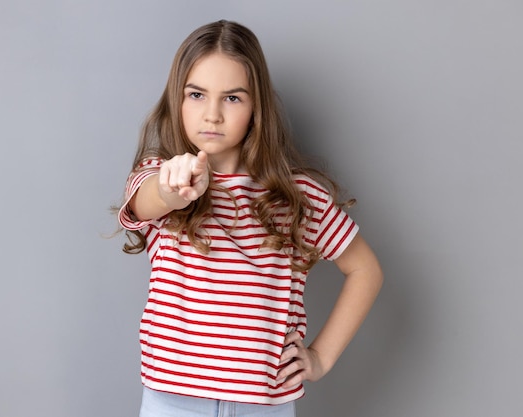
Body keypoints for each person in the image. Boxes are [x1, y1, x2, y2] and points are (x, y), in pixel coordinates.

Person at [116, 19, 383, 417]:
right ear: (177, 99)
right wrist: (174, 187)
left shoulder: (298, 196)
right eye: (196, 94)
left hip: (265, 407)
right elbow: (149, 200)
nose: (212, 115)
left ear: (257, 104)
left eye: (233, 98)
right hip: (173, 403)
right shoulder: (157, 174)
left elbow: (365, 270)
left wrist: (320, 358)